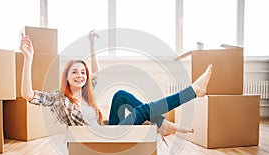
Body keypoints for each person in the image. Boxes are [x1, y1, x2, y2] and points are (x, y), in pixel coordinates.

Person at [20, 31, 212, 136]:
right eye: (74, 72)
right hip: (95, 141)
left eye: (82, 72)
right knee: (141, 112)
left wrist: (92, 46)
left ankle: (163, 124)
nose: (80, 76)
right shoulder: (60, 98)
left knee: (120, 94)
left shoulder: (86, 94)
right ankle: (193, 91)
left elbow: (96, 72)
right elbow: (28, 94)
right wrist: (29, 59)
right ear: (67, 77)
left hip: (106, 132)